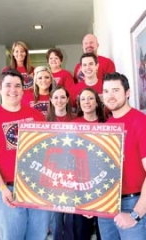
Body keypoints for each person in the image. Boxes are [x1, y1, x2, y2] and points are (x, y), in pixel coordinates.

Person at [0, 69, 53, 240]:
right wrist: (2, 188)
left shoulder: (36, 115)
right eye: (8, 85)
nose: (13, 90)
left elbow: (48, 151)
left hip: (37, 188)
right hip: (8, 190)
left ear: (23, 90)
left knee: (38, 236)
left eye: (17, 86)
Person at [98, 72, 146, 240]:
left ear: (127, 93)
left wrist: (136, 214)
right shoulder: (106, 126)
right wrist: (89, 205)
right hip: (106, 205)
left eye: (115, 90)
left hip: (133, 204)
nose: (110, 96)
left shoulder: (140, 122)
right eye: (106, 91)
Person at [73, 88, 105, 240]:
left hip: (103, 183)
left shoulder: (108, 124)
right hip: (80, 185)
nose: (87, 102)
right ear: (79, 104)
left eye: (90, 98)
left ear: (97, 102)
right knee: (81, 231)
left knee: (103, 230)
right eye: (83, 99)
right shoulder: (73, 125)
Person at [46, 85, 74, 240]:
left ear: (68, 99)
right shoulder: (43, 121)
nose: (59, 100)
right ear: (51, 99)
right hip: (52, 173)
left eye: (63, 97)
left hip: (72, 171)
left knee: (70, 214)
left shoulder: (76, 119)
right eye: (56, 97)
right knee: (55, 214)